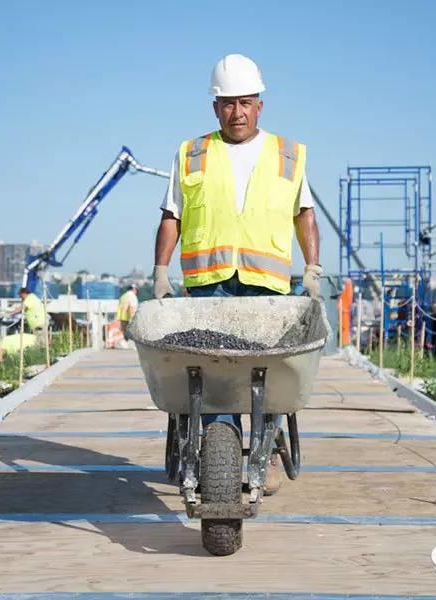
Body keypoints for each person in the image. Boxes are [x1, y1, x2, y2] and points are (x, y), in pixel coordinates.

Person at [152, 53, 321, 495]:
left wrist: (313, 267)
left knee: (264, 378)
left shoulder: (288, 153)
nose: (237, 112)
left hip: (267, 290)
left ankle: (262, 447)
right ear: (215, 107)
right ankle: (219, 449)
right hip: (209, 287)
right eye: (228, 103)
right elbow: (173, 215)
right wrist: (159, 271)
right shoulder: (192, 153)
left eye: (245, 102)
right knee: (215, 380)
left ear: (260, 105)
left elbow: (304, 213)